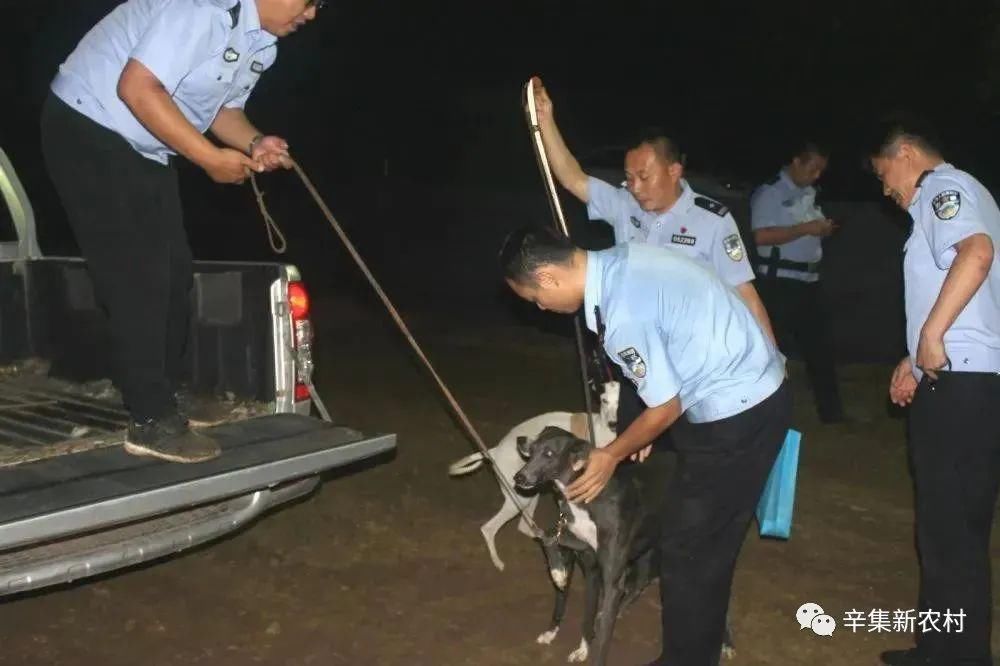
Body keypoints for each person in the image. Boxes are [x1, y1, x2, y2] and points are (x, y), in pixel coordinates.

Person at [40, 0, 324, 463]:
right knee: (139, 275)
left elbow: (213, 110)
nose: (311, 14)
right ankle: (150, 418)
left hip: (142, 143)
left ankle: (163, 395)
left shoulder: (260, 43)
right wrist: (210, 159)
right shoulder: (201, 9)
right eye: (309, 1)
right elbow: (138, 87)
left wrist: (254, 141)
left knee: (175, 272)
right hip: (88, 124)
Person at [500, 226, 790, 666]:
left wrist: (611, 453)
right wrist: (643, 431)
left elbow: (666, 406)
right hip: (743, 396)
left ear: (548, 277)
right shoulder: (624, 258)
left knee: (689, 552)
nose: (541, 308)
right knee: (700, 543)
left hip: (736, 415)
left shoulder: (621, 314)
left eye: (535, 299)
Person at [529, 78, 777, 448]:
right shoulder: (624, 206)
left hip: (692, 369)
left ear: (675, 171)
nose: (635, 187)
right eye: (629, 178)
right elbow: (571, 176)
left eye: (644, 177)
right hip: (640, 364)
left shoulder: (713, 221)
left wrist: (770, 359)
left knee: (692, 459)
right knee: (632, 460)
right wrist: (545, 119)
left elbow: (746, 294)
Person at [870, 123, 1000, 666]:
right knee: (950, 525)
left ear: (905, 154)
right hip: (962, 378)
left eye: (884, 175)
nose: (885, 191)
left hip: (962, 386)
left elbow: (976, 251)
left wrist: (930, 336)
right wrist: (914, 360)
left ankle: (960, 656)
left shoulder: (943, 189)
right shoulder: (960, 193)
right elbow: (970, 301)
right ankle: (942, 647)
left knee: (952, 528)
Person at [750, 141, 846, 423]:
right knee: (769, 352)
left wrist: (822, 230)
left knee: (821, 350)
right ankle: (757, 411)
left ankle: (833, 416)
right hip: (780, 284)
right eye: (812, 168)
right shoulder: (770, 192)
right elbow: (760, 237)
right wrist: (806, 229)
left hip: (809, 281)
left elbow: (807, 229)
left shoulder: (809, 192)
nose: (816, 175)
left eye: (821, 171)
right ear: (796, 161)